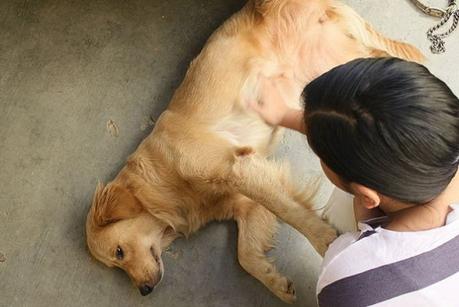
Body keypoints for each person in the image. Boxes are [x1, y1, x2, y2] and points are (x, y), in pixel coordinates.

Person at [250, 58, 459, 306]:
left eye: (320, 155)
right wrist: (286, 115)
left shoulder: (350, 278)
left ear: (367, 197)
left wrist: (366, 227)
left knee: (339, 209)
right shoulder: (446, 134)